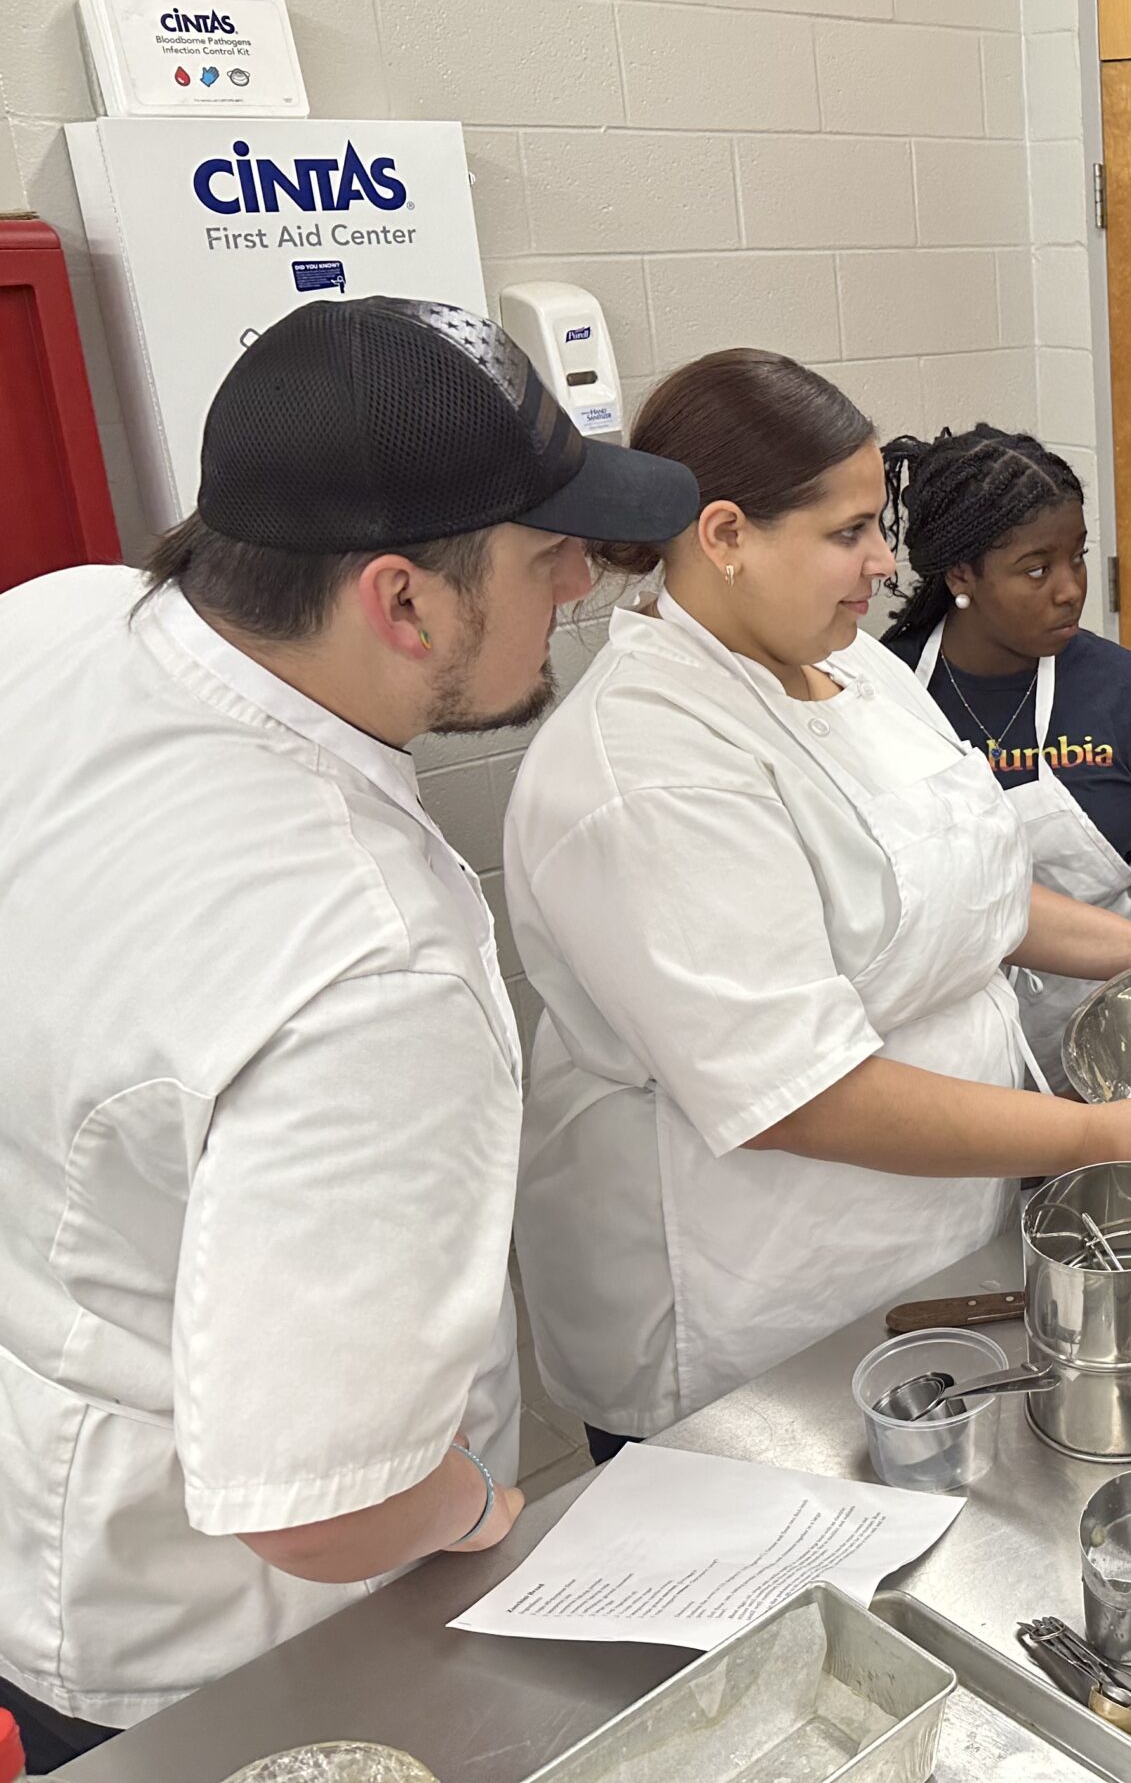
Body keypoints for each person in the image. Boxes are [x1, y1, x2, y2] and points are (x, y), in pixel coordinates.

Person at [0, 298, 700, 1766]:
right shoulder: (370, 960)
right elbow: (323, 1513)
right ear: (402, 603)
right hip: (231, 1656)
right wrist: (475, 1505)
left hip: (39, 1509)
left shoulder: (54, 620)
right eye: (546, 553)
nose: (582, 581)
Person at [504, 350, 1131, 1462]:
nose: (884, 562)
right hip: (748, 1298)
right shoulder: (647, 765)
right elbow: (799, 1094)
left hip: (924, 1248)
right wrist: (1098, 1135)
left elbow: (965, 891)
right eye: (849, 532)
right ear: (725, 535)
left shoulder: (852, 667)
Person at [879, 425, 1131, 1085]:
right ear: (961, 574)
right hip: (942, 1063)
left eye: (1078, 558)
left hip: (1109, 1042)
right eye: (1037, 569)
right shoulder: (886, 695)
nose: (1070, 589)